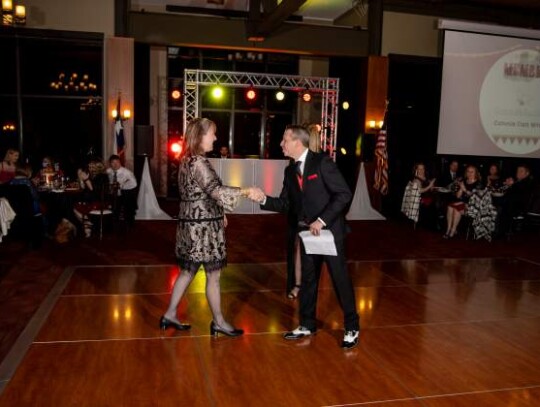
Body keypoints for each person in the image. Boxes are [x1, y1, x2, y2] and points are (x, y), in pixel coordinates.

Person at [249, 124, 360, 349]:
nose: (281, 144)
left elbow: (343, 194)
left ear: (297, 143)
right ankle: (307, 324)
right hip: (308, 235)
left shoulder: (322, 163)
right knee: (308, 281)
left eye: (284, 140)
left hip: (330, 234)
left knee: (340, 280)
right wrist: (262, 199)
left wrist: (322, 220)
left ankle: (352, 326)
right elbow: (286, 204)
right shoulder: (290, 171)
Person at [161, 118, 257, 337]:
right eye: (212, 133)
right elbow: (216, 191)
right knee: (213, 276)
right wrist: (246, 191)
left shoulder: (186, 160)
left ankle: (170, 314)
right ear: (200, 136)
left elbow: (199, 193)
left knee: (187, 272)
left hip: (189, 224)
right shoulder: (199, 162)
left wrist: (219, 212)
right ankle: (219, 322)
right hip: (203, 229)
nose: (215, 137)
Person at [74, 159, 110, 238]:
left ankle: (88, 225)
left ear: (99, 167)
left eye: (92, 166)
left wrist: (86, 179)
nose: (90, 168)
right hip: (91, 200)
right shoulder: (92, 175)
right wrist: (81, 179)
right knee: (75, 206)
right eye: (89, 166)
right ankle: (88, 227)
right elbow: (83, 188)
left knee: (76, 207)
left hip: (100, 202)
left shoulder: (102, 176)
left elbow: (93, 189)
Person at [444, 164, 482, 239]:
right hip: (462, 204)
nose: (470, 173)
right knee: (450, 206)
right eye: (468, 171)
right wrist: (461, 188)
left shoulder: (479, 184)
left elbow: (475, 197)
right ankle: (448, 229)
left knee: (456, 207)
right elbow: (458, 196)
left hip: (473, 206)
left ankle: (453, 230)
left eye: (472, 172)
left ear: (476, 173)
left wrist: (464, 189)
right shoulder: (464, 181)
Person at [498, 164, 535, 236]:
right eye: (517, 171)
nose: (518, 173)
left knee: (500, 207)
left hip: (518, 207)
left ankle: (500, 231)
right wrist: (507, 186)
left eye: (521, 171)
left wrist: (511, 185)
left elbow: (517, 195)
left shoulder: (526, 182)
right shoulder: (518, 182)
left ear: (527, 173)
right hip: (511, 204)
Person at [106, 155, 138, 228]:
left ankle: (129, 225)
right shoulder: (108, 171)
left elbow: (134, 184)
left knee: (127, 208)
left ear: (120, 162)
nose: (115, 164)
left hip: (125, 193)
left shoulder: (127, 173)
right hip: (113, 194)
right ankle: (113, 223)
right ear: (110, 163)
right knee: (113, 206)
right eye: (113, 163)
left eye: (117, 162)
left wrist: (121, 185)